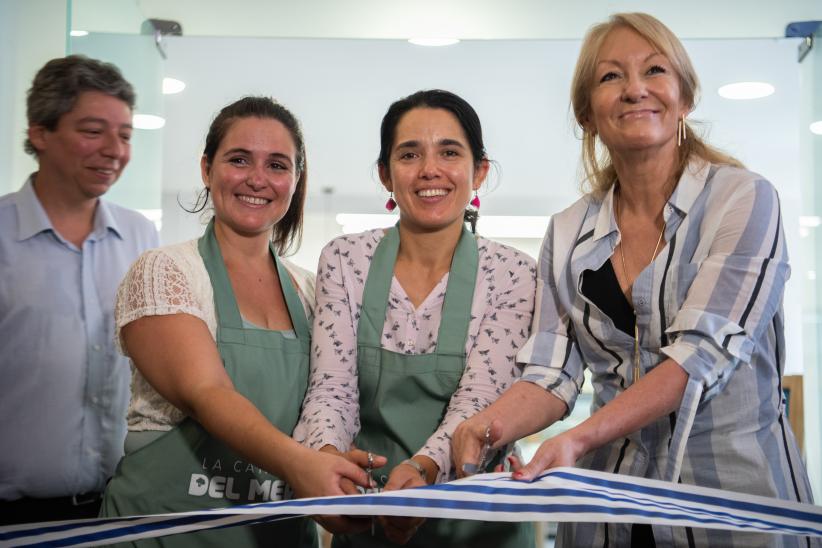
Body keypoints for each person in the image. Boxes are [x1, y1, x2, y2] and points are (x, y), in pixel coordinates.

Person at [452, 12, 817, 548]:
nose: (635, 89)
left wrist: (577, 438)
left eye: (654, 70)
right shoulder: (568, 231)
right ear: (587, 115)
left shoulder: (743, 200)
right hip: (608, 513)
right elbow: (551, 375)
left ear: (684, 98)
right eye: (610, 77)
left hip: (734, 510)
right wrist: (488, 427)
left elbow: (699, 357)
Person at [99, 96, 375, 547]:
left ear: (296, 180)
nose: (257, 179)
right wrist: (302, 466)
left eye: (277, 165)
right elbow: (207, 393)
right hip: (161, 533)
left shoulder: (313, 293)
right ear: (207, 169)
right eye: (239, 159)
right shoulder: (166, 271)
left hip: (278, 535)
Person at [294, 89, 536, 547]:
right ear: (385, 174)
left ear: (478, 171)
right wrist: (326, 462)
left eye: (449, 152)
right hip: (370, 510)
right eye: (409, 154)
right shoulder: (346, 259)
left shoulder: (513, 273)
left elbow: (479, 401)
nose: (430, 170)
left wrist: (423, 469)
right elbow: (332, 387)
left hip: (479, 518)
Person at [0, 55, 159, 524]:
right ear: (40, 133)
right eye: (93, 131)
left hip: (113, 510)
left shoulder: (141, 238)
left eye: (125, 135)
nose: (114, 150)